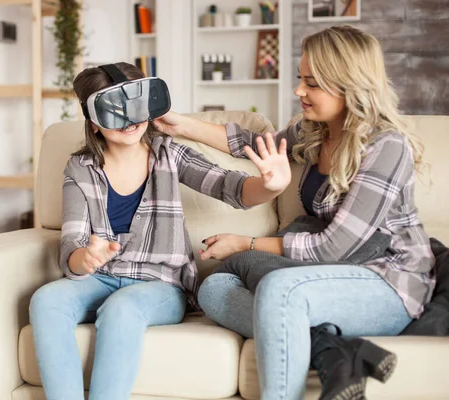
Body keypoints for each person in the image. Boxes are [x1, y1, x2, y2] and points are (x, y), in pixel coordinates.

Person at [153, 25, 435, 400]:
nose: (299, 91)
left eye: (313, 83)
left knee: (276, 288)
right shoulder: (317, 131)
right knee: (215, 287)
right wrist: (181, 123)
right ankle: (330, 349)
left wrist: (245, 244)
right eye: (301, 79)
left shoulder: (387, 146)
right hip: (324, 277)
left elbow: (333, 249)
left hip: (386, 281)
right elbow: (253, 144)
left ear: (349, 84)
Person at [28, 62, 292, 400]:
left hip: (160, 285)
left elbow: (231, 188)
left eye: (137, 106)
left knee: (123, 306)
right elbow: (72, 250)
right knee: (46, 300)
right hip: (101, 278)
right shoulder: (80, 168)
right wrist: (87, 258)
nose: (130, 119)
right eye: (115, 110)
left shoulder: (169, 153)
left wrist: (270, 186)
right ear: (94, 122)